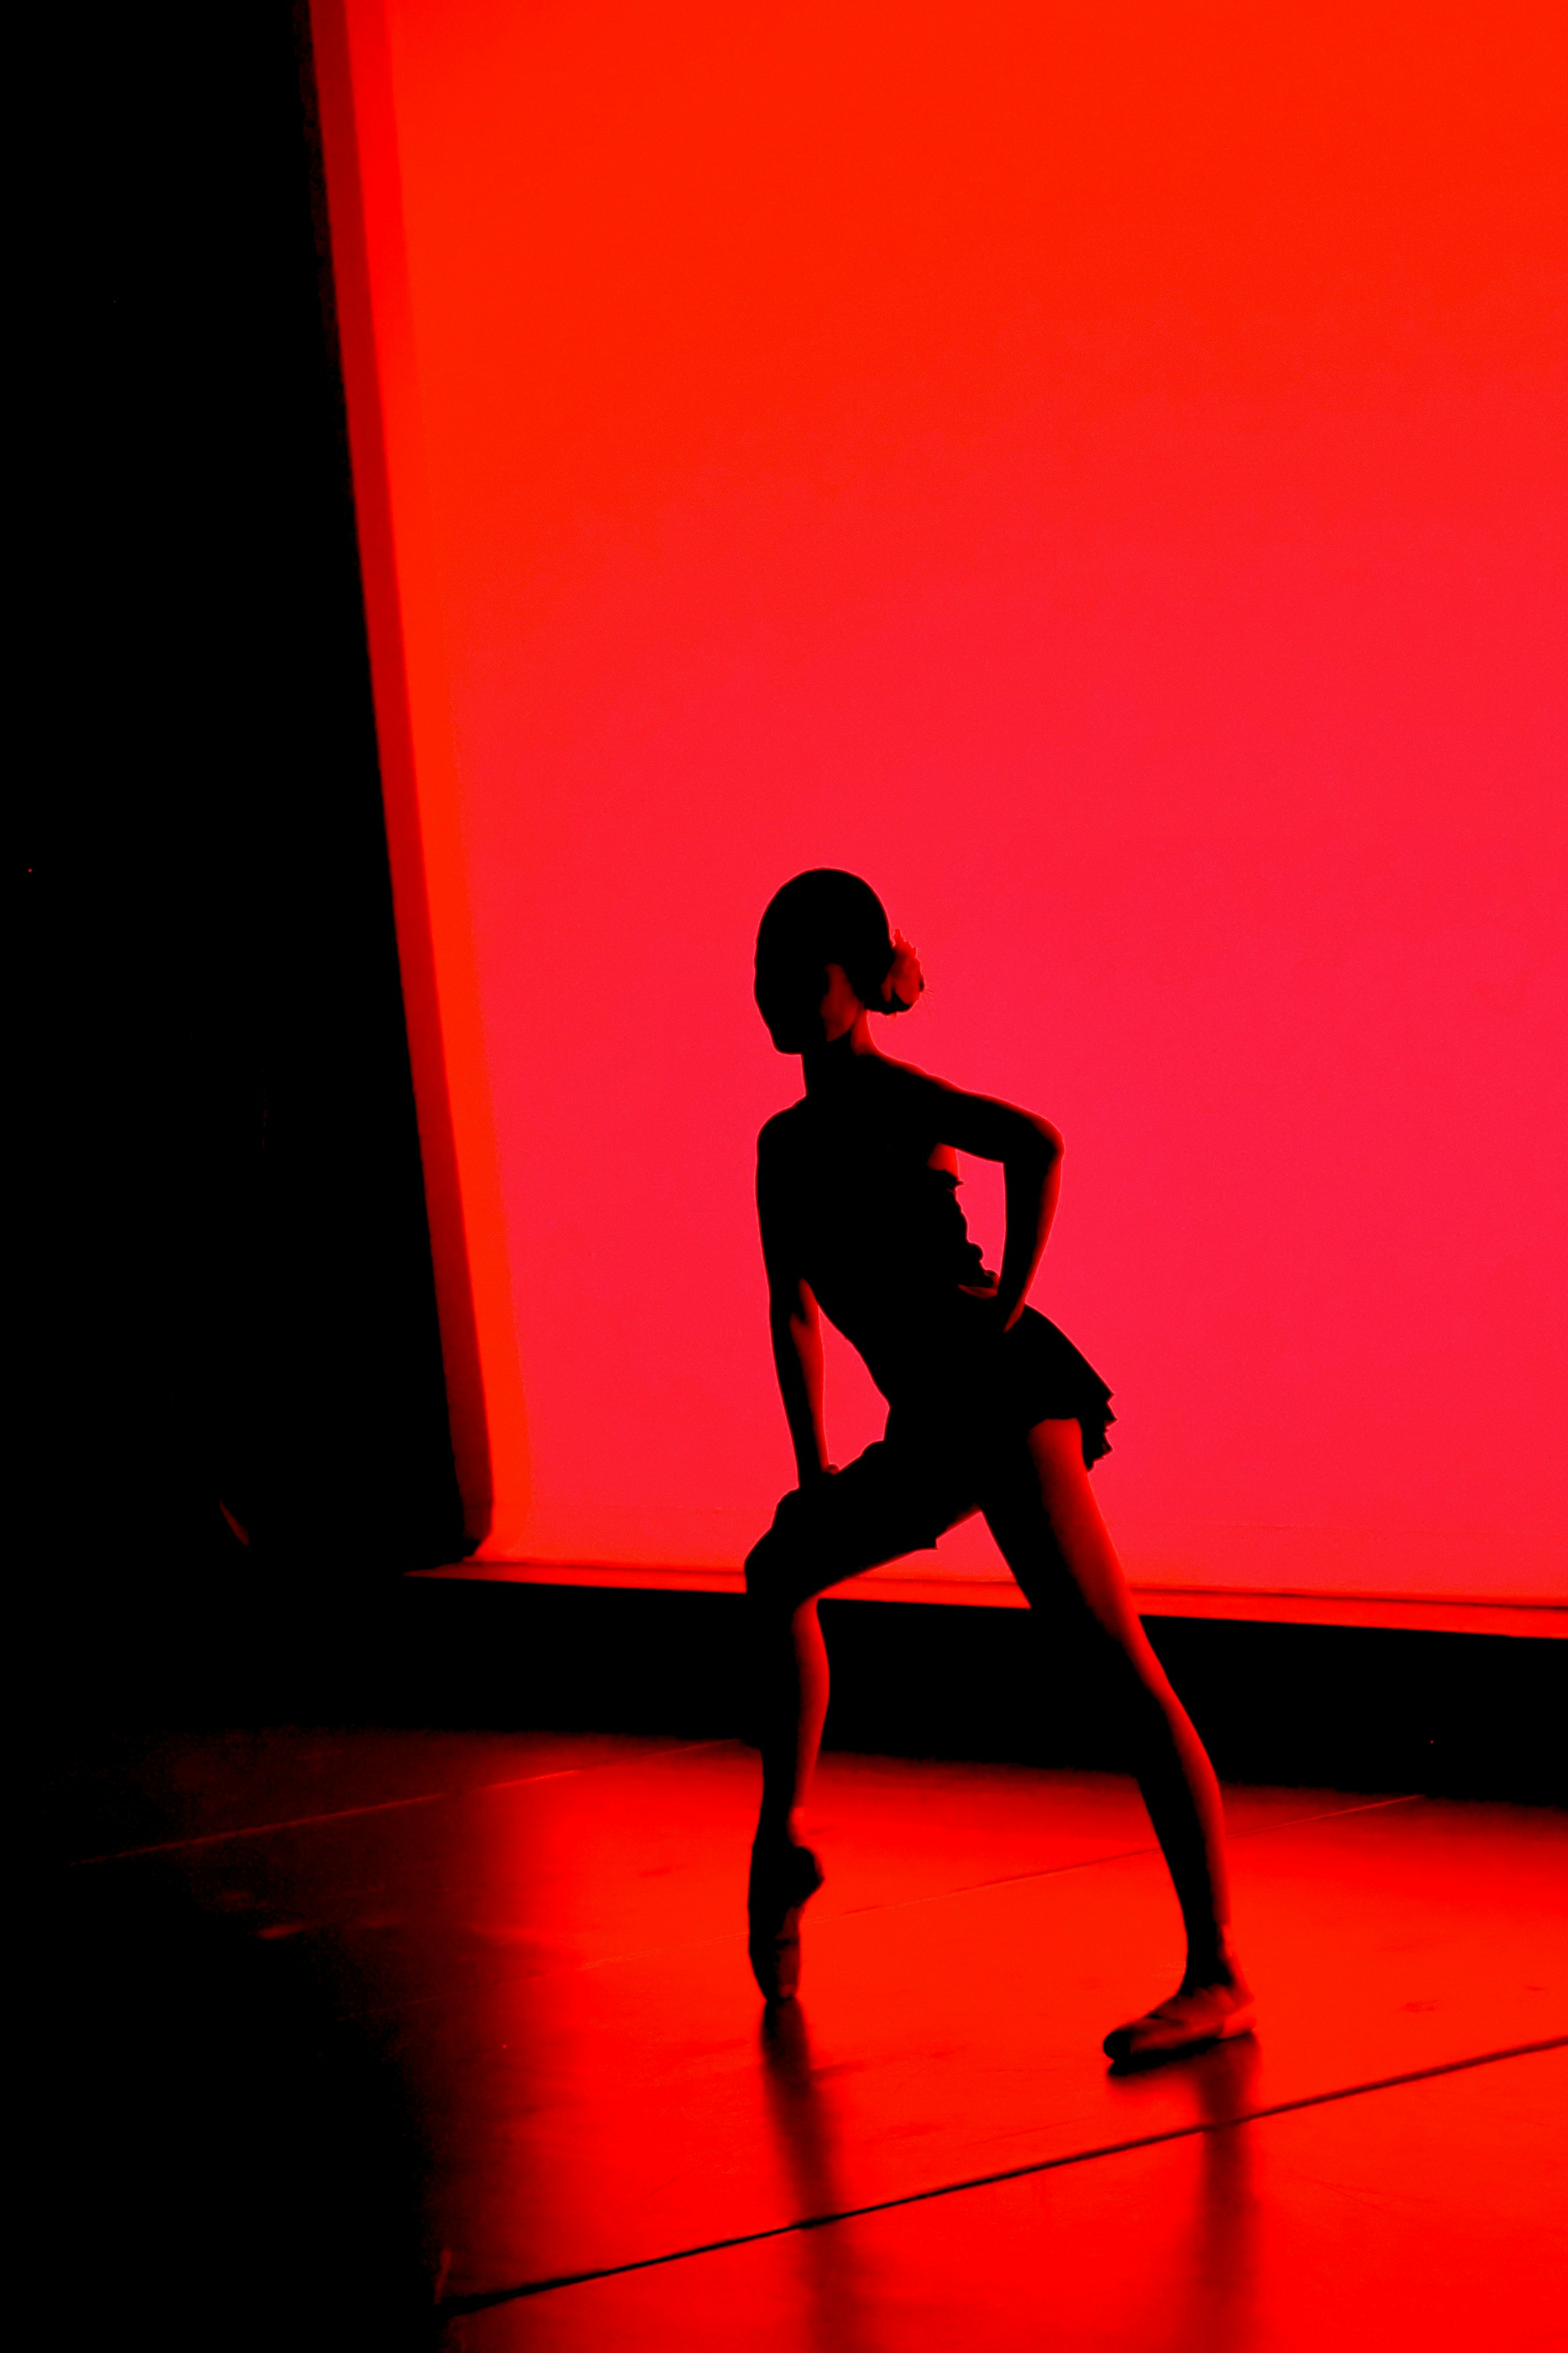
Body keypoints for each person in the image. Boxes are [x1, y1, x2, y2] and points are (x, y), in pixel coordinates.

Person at [744, 868, 1255, 2066]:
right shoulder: (782, 1144)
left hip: (1007, 1390)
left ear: (856, 986)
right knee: (778, 1570)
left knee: (1115, 1664)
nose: (776, 1000)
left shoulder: (882, 1094)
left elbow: (1035, 1145)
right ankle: (785, 1840)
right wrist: (814, 1465)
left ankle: (1220, 1968)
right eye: (761, 979)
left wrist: (1007, 1308)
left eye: (801, 978)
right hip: (934, 1417)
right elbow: (795, 1314)